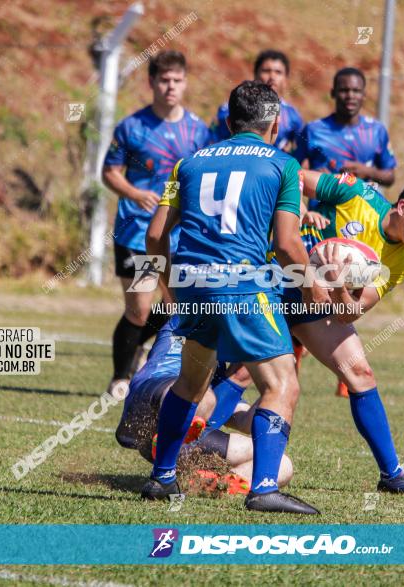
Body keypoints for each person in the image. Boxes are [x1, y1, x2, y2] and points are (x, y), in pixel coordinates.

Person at [142, 80, 330, 514]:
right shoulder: (283, 166)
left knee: (191, 382)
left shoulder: (188, 163)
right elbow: (286, 244)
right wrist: (312, 286)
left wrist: (174, 284)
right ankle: (264, 488)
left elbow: (155, 235)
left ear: (228, 122)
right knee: (282, 383)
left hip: (192, 283)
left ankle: (162, 477)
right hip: (242, 284)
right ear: (276, 124)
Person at [284, 168, 404, 496]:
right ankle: (187, 443)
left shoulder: (399, 262)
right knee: (241, 378)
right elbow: (291, 176)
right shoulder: (355, 194)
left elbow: (351, 312)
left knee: (360, 373)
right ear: (403, 207)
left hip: (316, 306)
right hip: (278, 283)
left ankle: (391, 475)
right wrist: (302, 210)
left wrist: (335, 281)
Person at [102, 50, 210, 396]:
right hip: (137, 231)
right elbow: (109, 173)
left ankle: (140, 367)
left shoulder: (198, 131)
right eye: (164, 80)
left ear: (185, 83)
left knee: (175, 303)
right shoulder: (132, 127)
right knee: (140, 308)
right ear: (151, 82)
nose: (170, 86)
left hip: (180, 236)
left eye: (177, 80)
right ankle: (121, 375)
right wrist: (135, 193)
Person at [298, 66, 397, 395]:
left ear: (364, 94)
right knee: (312, 292)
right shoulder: (314, 131)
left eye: (356, 91)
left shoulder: (376, 132)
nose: (350, 96)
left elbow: (390, 175)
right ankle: (297, 355)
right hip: (324, 221)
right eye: (343, 90)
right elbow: (294, 171)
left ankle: (347, 370)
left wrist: (365, 170)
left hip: (363, 227)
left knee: (351, 291)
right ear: (333, 93)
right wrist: (301, 208)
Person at [115, 316, 293, 492]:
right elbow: (241, 368)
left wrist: (275, 392)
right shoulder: (193, 315)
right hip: (152, 393)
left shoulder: (218, 371)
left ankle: (215, 483)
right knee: (203, 397)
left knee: (282, 465)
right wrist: (274, 354)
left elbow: (245, 421)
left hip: (174, 438)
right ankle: (170, 439)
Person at [210, 49, 304, 153]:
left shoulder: (293, 115)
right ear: (255, 75)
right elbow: (212, 143)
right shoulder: (231, 108)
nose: (272, 77)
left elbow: (299, 151)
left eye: (278, 72)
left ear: (285, 79)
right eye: (266, 71)